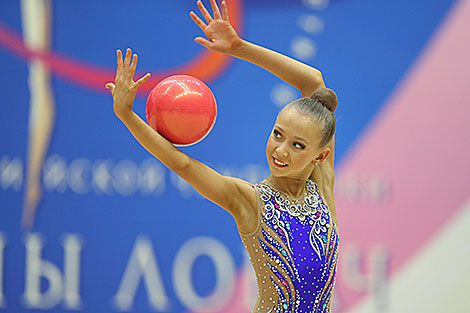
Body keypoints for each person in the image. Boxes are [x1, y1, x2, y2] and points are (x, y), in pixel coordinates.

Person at [105, 0, 339, 312]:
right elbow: (183, 164)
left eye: (298, 145)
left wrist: (239, 47)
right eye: (278, 134)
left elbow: (314, 82)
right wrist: (127, 116)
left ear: (320, 157)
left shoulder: (322, 186)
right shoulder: (249, 200)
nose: (281, 150)